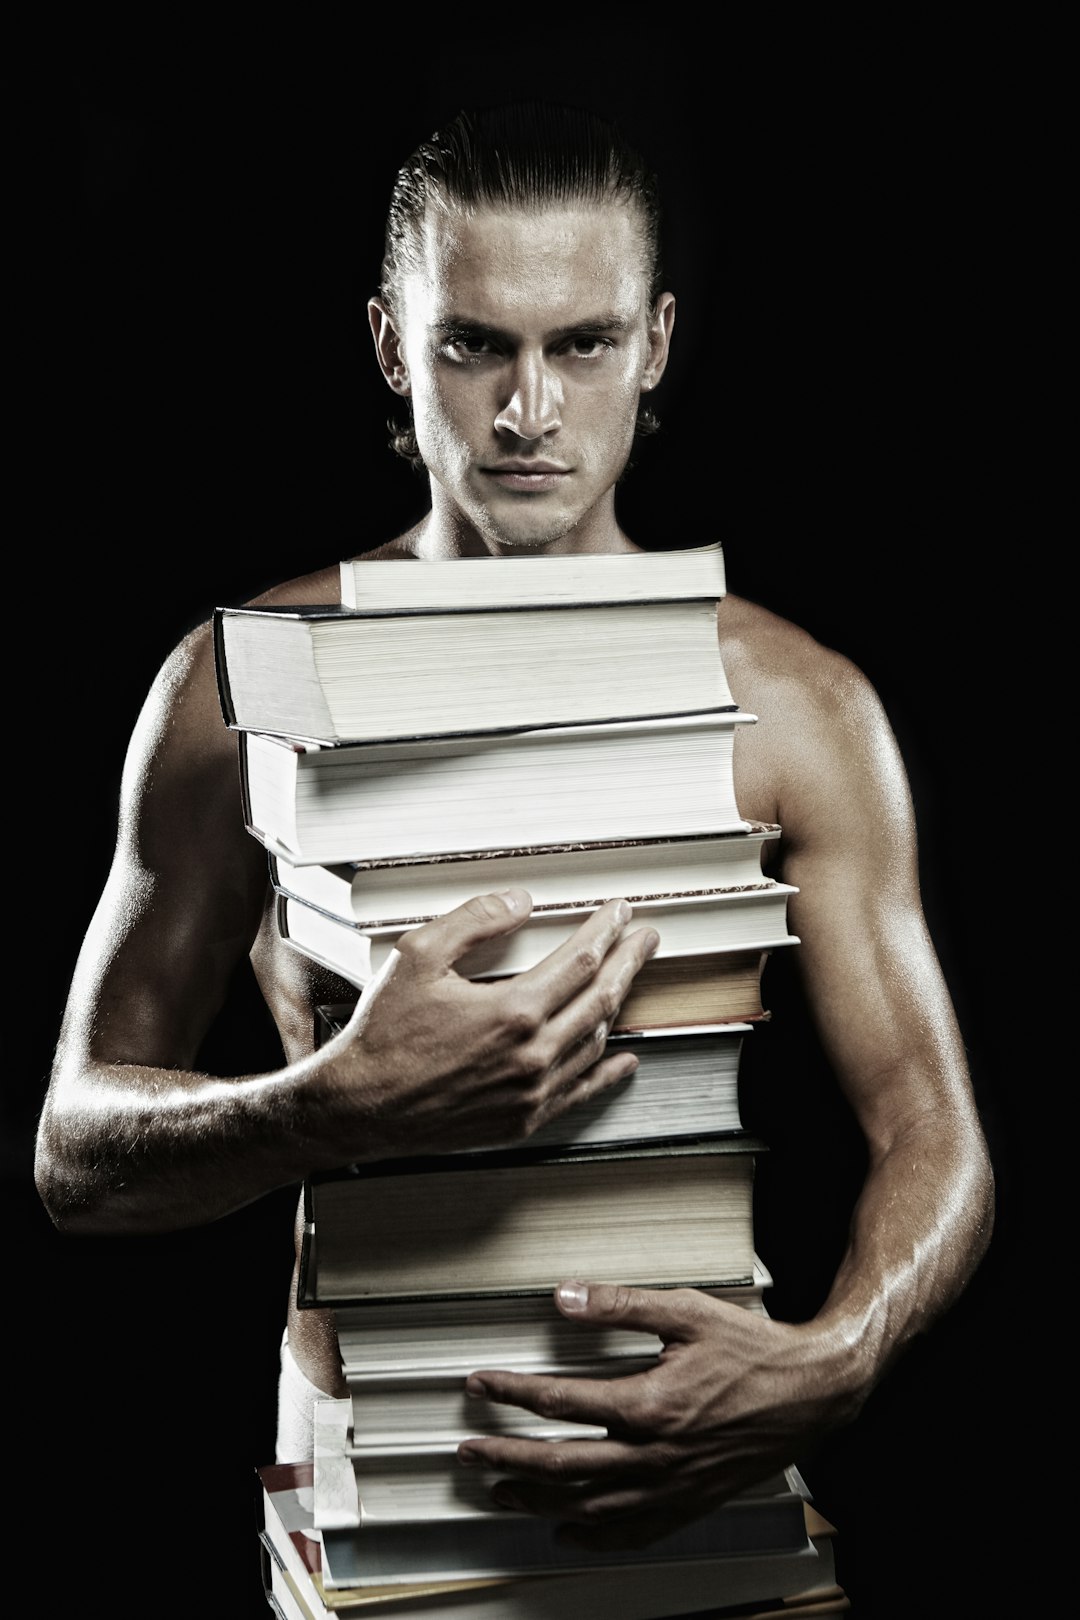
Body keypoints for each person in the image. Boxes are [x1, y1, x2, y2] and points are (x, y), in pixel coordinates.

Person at [36, 100, 993, 1558]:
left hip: (700, 1484)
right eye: (474, 344)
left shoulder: (803, 709)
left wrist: (843, 1352)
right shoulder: (244, 689)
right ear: (388, 345)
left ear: (657, 345)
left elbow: (937, 1130)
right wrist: (332, 1105)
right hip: (375, 1497)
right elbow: (74, 1153)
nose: (528, 411)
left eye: (582, 344)